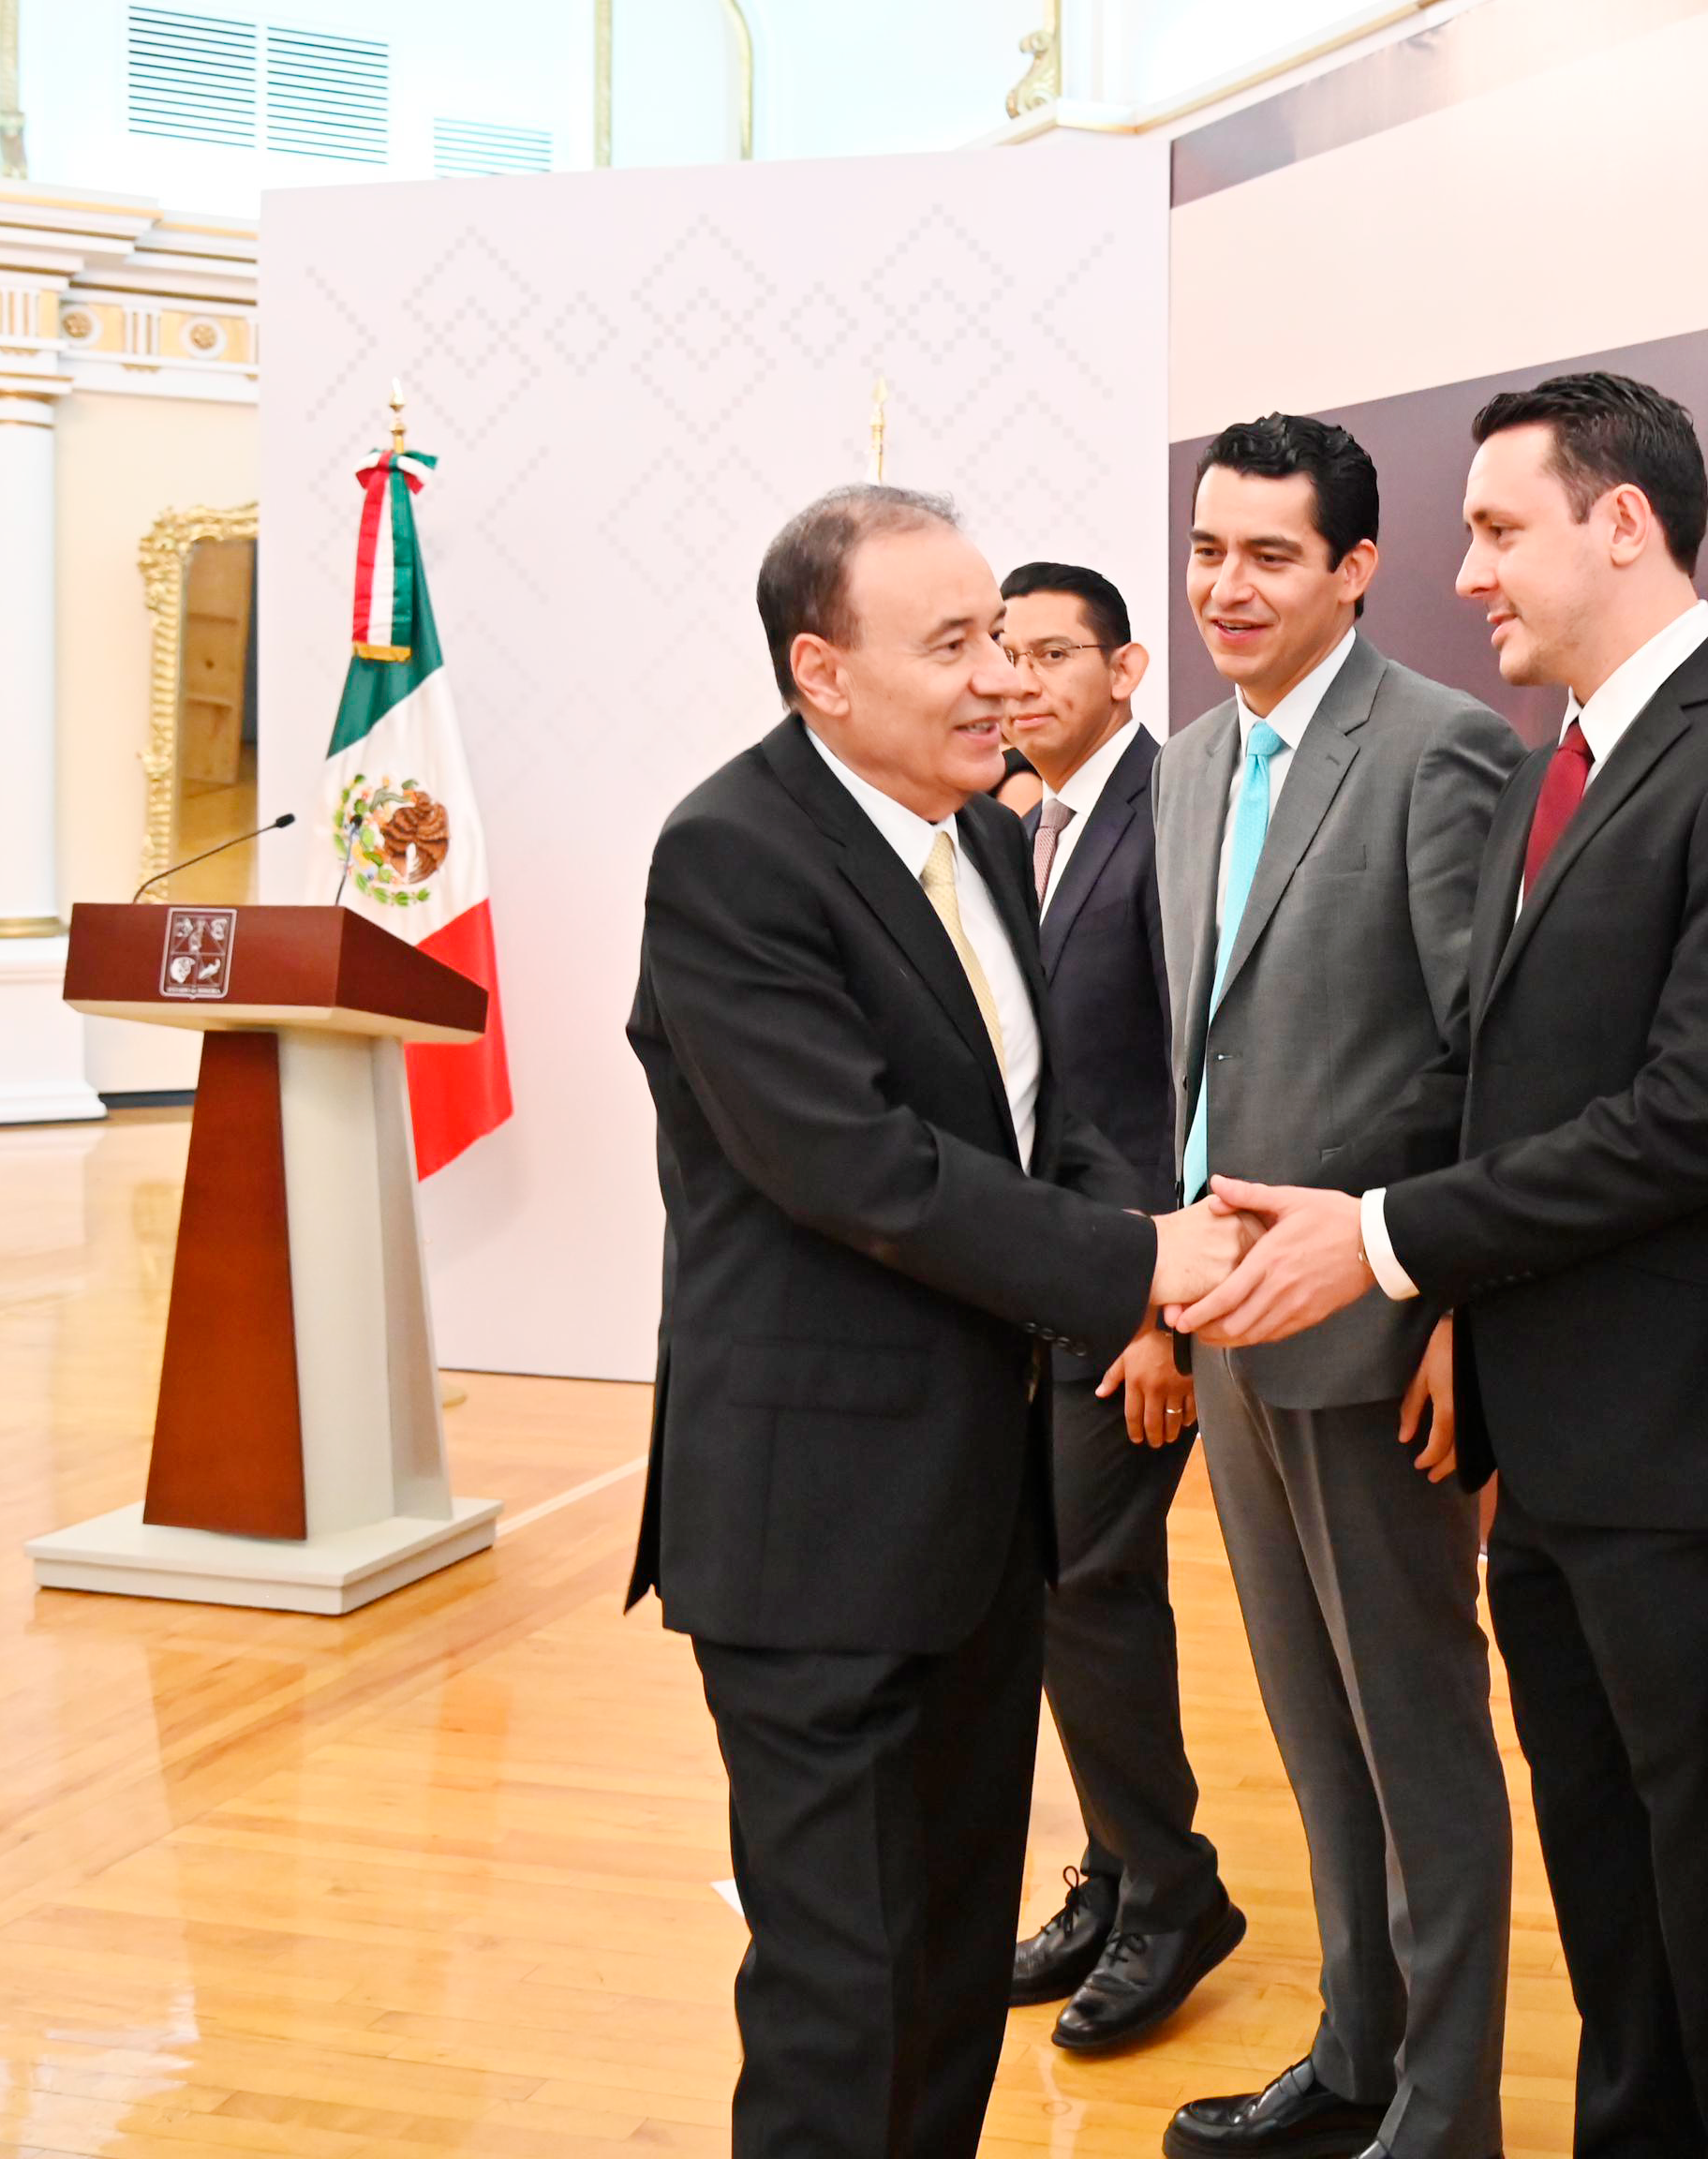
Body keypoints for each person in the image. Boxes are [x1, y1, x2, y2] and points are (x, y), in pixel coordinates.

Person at [1179, 371, 1708, 2159]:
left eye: (1500, 529)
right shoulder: (1557, 763)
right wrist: (1371, 1259)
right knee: (1615, 1918)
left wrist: (1382, 1240)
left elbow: (1693, 1118)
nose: (1468, 572)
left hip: (1698, 1457)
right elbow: (1491, 1081)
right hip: (1555, 1458)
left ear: (1622, 523)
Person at [624, 485, 1247, 2159]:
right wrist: (1140, 1263)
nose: (1001, 678)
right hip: (817, 1536)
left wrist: (1156, 1240)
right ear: (821, 673)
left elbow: (1044, 1120)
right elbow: (863, 1170)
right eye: (956, 644)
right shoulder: (732, 857)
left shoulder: (975, 835)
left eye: (1007, 640)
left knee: (953, 1975)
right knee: (845, 2003)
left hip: (977, 1521)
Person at [1151, 418, 1523, 2159]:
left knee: (1416, 1738)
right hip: (1227, 1324)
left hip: (1373, 1327)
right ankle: (1361, 2059)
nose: (1226, 587)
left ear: (1357, 569)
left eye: (1270, 556)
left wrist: (1452, 1303)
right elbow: (1194, 1057)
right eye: (1207, 550)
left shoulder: (1443, 752)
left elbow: (1485, 1065)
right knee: (1313, 1728)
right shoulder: (1184, 767)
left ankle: (1445, 2116)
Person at [988, 560, 1249, 2051]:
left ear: (1127, 668)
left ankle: (1172, 1892)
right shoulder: (1015, 826)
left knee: (1081, 1583)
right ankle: (1111, 1874)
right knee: (1072, 1588)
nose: (1018, 682)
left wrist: (1164, 1317)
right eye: (1003, 655)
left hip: (1138, 1290)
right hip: (1039, 1278)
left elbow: (1189, 1084)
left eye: (1051, 655)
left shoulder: (1173, 817)